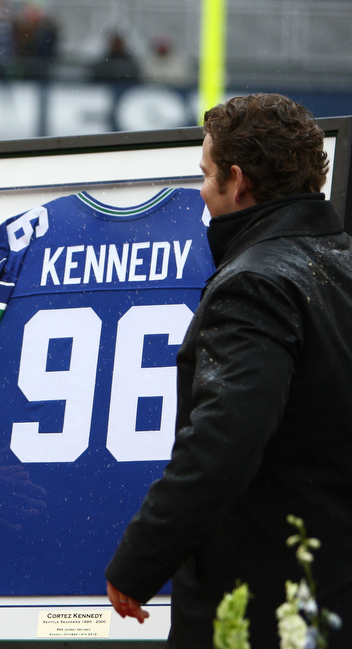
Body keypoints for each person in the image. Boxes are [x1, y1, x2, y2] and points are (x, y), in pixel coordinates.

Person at [106, 93, 352, 647]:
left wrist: (139, 561)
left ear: (237, 181)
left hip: (264, 606)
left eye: (206, 173)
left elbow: (223, 440)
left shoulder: (254, 283)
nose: (201, 190)